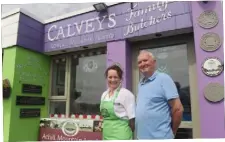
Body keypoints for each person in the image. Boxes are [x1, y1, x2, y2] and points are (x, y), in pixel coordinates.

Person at [135, 50, 184, 139]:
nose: (142, 64)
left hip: (160, 137)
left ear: (154, 62)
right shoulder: (140, 83)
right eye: (139, 62)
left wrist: (173, 132)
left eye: (145, 60)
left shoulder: (164, 79)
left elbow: (178, 109)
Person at [100, 64, 135, 140]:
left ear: (120, 79)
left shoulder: (126, 94)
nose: (112, 80)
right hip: (106, 135)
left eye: (115, 77)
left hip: (121, 135)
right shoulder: (104, 95)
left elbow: (132, 120)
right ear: (107, 78)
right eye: (110, 77)